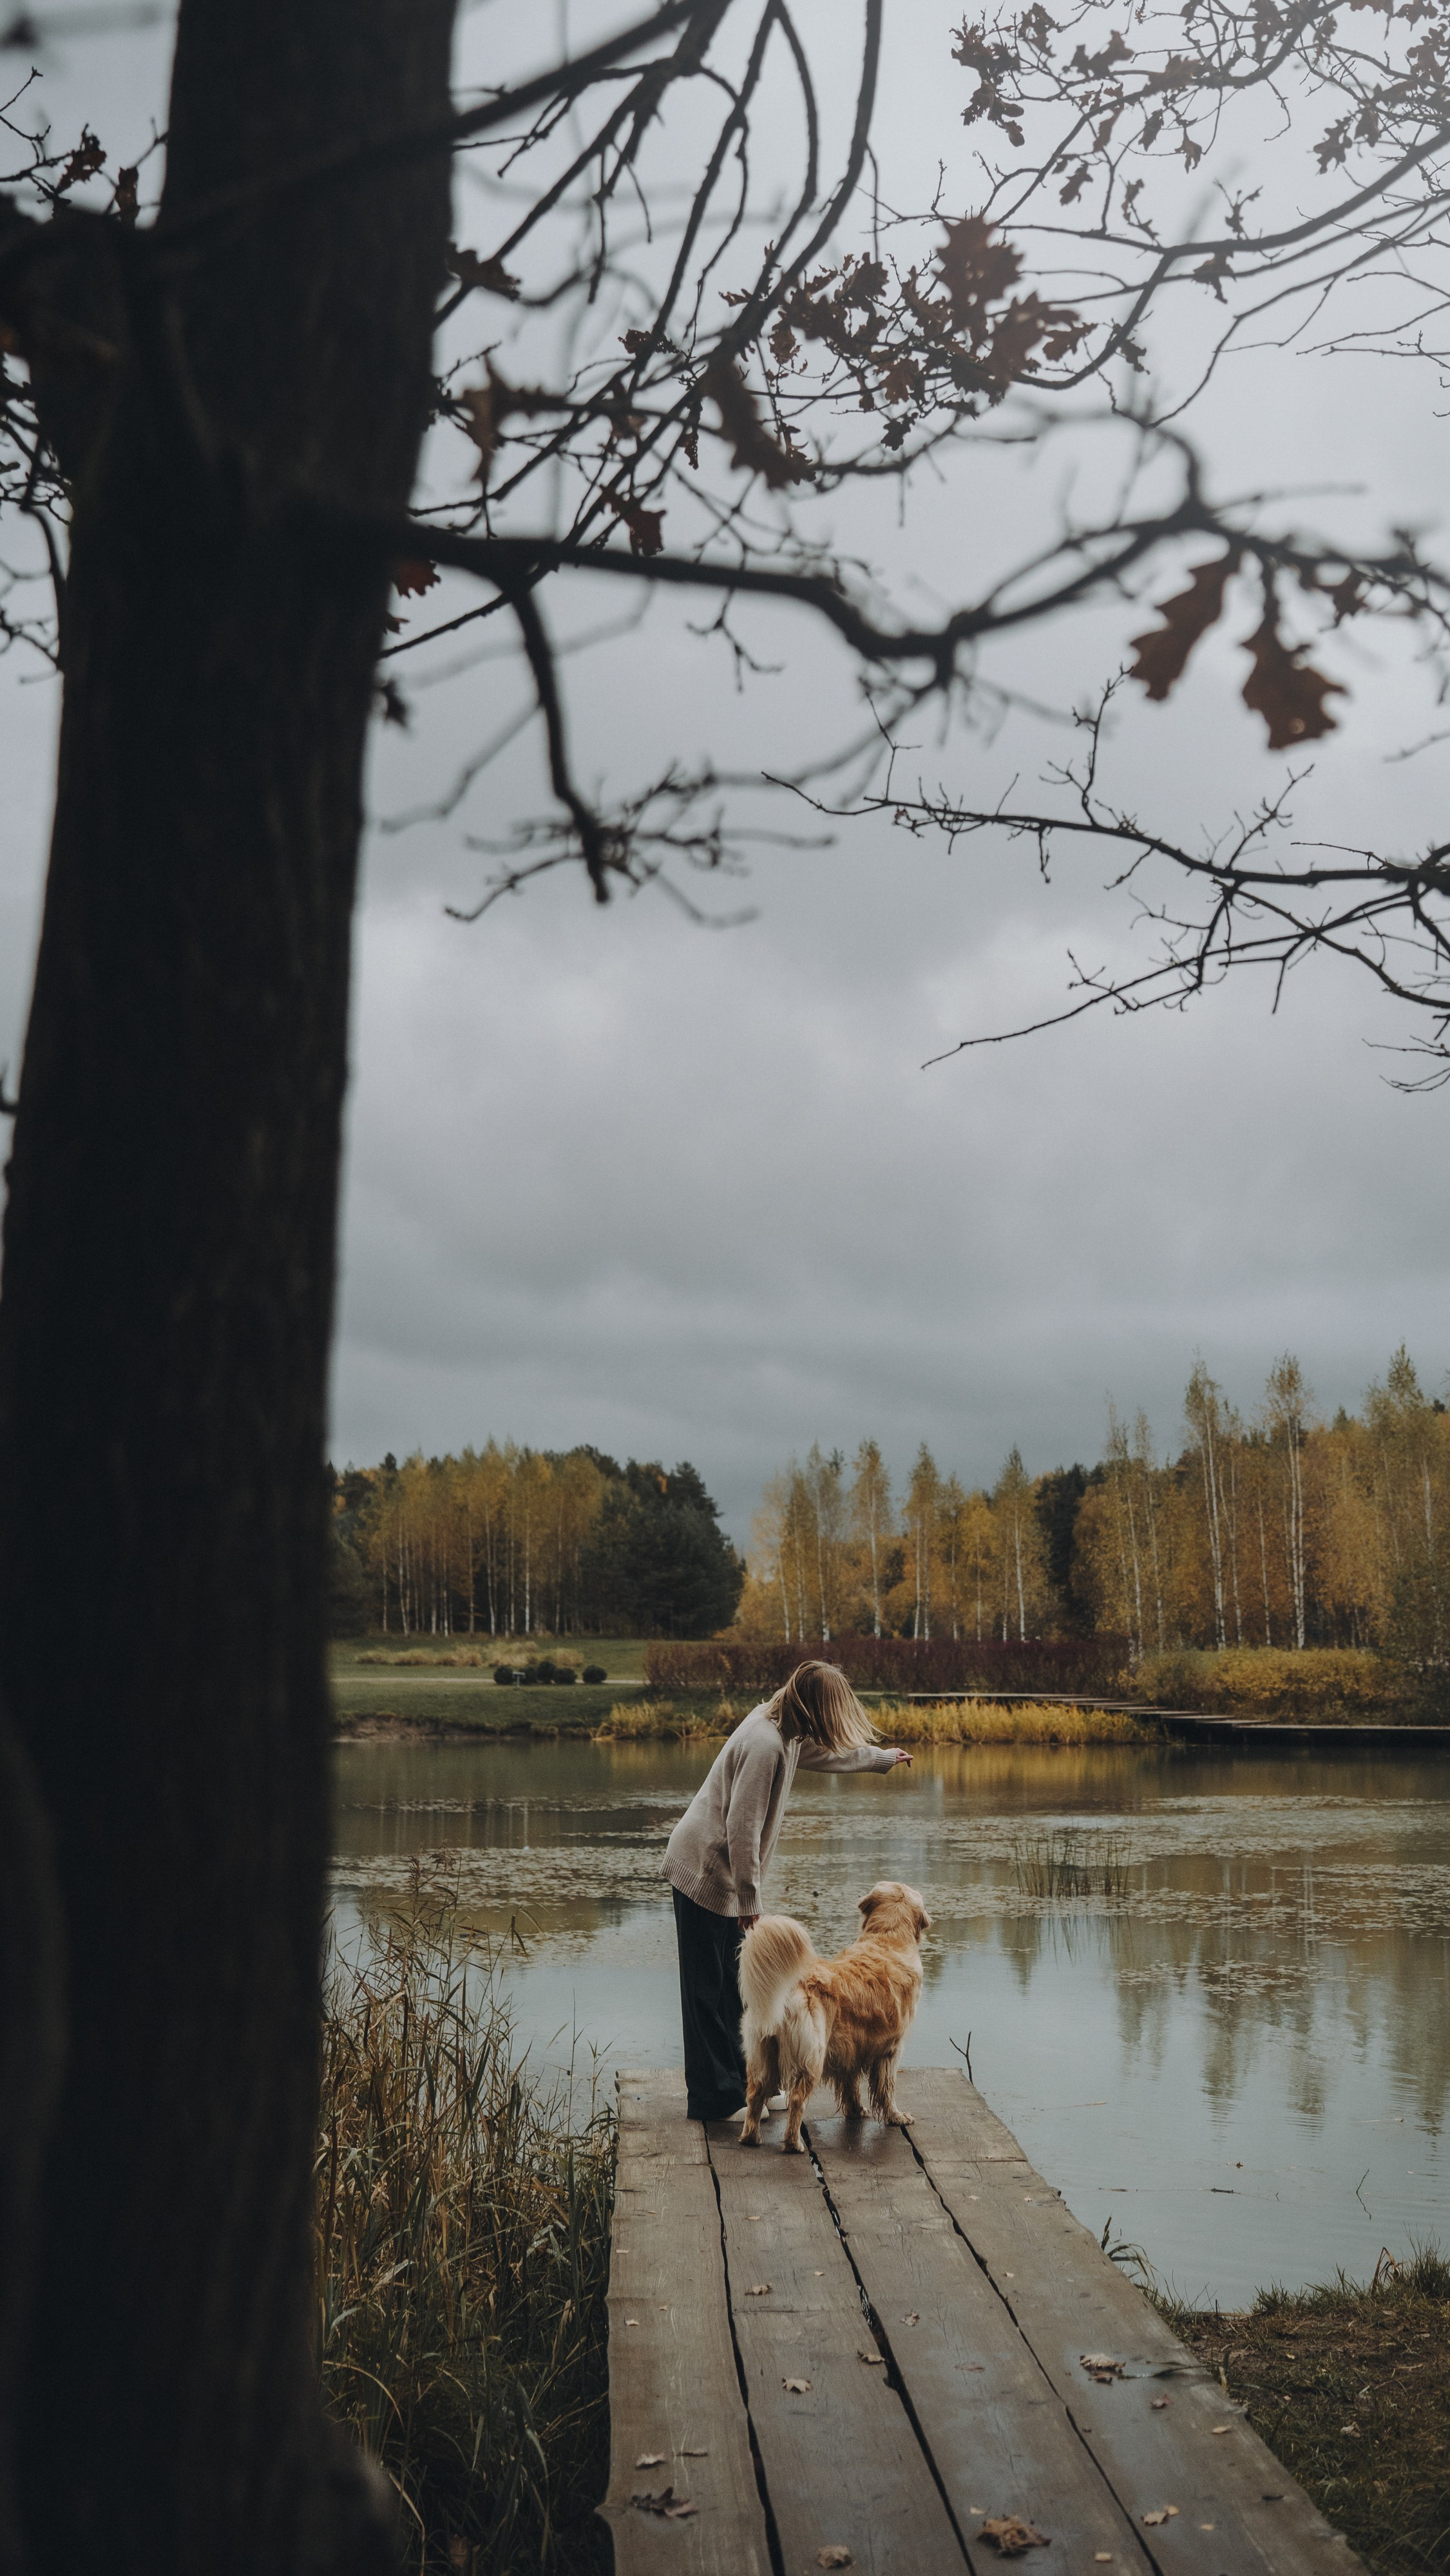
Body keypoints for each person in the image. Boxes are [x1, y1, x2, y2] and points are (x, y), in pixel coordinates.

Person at [662, 1660, 913, 2123]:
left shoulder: (785, 1732)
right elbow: (741, 1828)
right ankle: (715, 2099)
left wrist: (879, 1758)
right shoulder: (764, 1744)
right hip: (703, 1870)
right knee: (705, 1991)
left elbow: (824, 1753)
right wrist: (750, 1901)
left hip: (723, 1872)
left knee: (739, 1990)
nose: (834, 1725)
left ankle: (748, 2086)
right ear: (814, 1707)